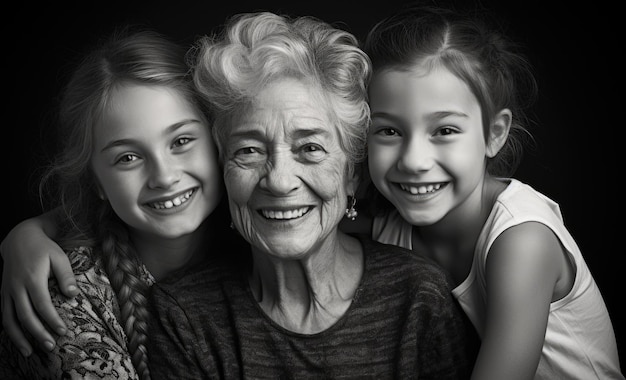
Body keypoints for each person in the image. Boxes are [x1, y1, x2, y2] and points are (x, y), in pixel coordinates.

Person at [144, 10, 475, 378]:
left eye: (310, 149)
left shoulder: (419, 296)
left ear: (351, 173)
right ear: (223, 169)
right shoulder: (184, 316)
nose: (280, 181)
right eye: (249, 151)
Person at [362, 4, 623, 379]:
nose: (414, 160)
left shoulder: (522, 239)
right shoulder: (385, 226)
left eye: (445, 131)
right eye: (389, 131)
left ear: (494, 134)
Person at [0, 25, 231, 379]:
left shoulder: (255, 241)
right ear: (97, 183)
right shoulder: (67, 298)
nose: (164, 176)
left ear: (217, 138)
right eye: (127, 158)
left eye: (181, 140)